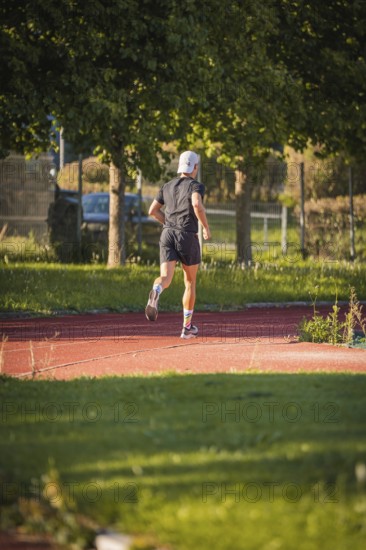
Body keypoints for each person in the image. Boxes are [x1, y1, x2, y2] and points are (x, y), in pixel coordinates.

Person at [145, 150, 211, 339]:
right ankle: (187, 327)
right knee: (189, 282)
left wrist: (168, 222)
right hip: (187, 236)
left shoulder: (167, 186)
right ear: (195, 167)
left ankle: (156, 290)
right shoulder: (195, 186)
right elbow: (197, 205)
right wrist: (205, 227)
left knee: (165, 277)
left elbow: (152, 211)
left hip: (167, 234)